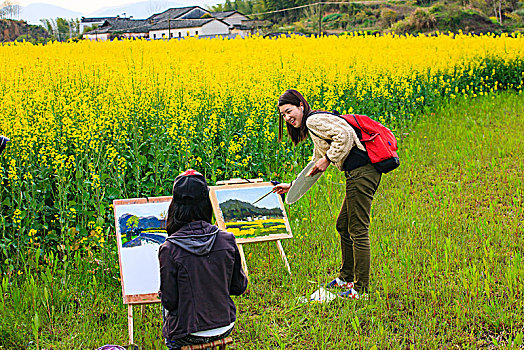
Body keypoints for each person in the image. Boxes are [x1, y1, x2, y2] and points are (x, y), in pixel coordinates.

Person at [273, 89, 382, 299]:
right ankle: (346, 278)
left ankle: (361, 290)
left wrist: (329, 159)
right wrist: (293, 186)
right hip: (358, 172)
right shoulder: (315, 125)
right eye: (284, 115)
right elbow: (316, 163)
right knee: (343, 225)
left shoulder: (314, 121)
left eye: (289, 111)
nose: (287, 118)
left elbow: (345, 136)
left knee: (358, 229)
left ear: (301, 106)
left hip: (363, 171)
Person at [158, 169, 248, 350]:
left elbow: (169, 301)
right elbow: (239, 287)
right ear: (207, 203)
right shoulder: (227, 239)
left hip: (188, 333)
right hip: (225, 325)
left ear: (174, 206)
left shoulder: (169, 249)